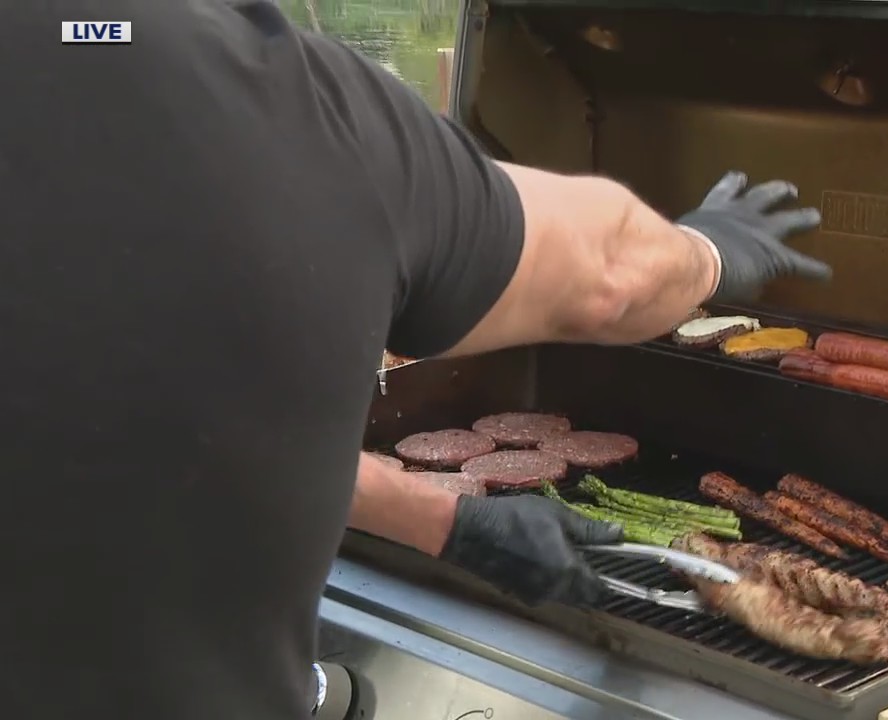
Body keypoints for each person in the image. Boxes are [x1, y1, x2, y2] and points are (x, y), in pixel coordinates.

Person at [0, 2, 830, 718]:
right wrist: (708, 253)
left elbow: (145, 416)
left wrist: (443, 519)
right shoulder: (306, 108)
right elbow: (610, 276)